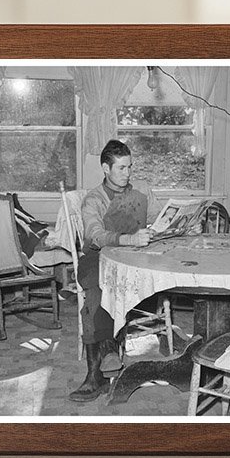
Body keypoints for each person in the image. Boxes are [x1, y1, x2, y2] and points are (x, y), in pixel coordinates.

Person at [68, 139, 157, 402]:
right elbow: (94, 235)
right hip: (98, 258)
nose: (128, 173)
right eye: (121, 168)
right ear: (106, 168)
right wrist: (128, 239)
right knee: (96, 287)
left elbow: (159, 218)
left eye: (130, 167)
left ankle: (105, 360)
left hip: (134, 257)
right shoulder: (93, 199)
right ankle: (97, 369)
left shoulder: (142, 191)